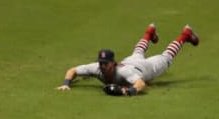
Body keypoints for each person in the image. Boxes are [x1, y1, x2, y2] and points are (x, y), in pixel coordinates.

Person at [56, 23, 199, 96]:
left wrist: (130, 91)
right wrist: (66, 84)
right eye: (101, 63)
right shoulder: (96, 68)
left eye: (105, 64)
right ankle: (149, 33)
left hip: (145, 67)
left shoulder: (124, 72)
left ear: (113, 63)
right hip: (130, 60)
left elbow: (140, 83)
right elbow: (73, 70)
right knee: (137, 51)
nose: (102, 66)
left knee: (166, 57)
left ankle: (185, 35)